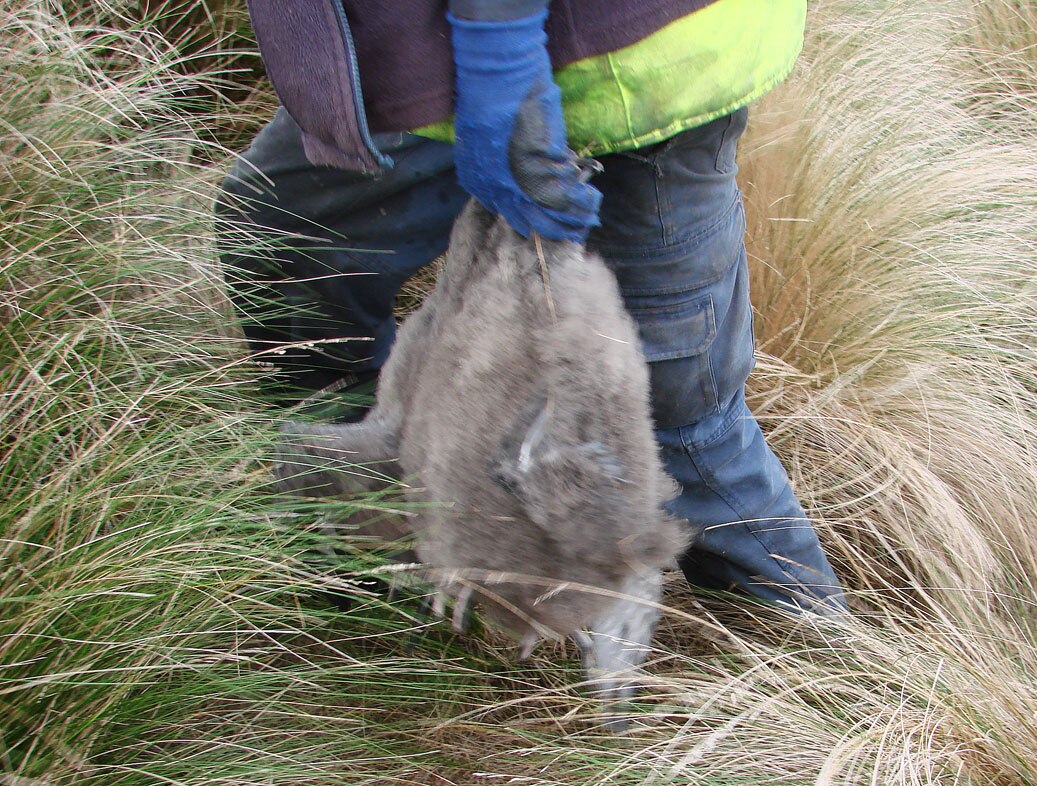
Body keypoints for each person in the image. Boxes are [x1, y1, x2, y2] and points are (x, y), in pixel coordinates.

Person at [217, 0, 848, 614]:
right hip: (417, 55)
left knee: (668, 409)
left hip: (626, 64)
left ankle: (829, 682)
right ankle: (385, 530)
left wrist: (502, 60)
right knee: (279, 238)